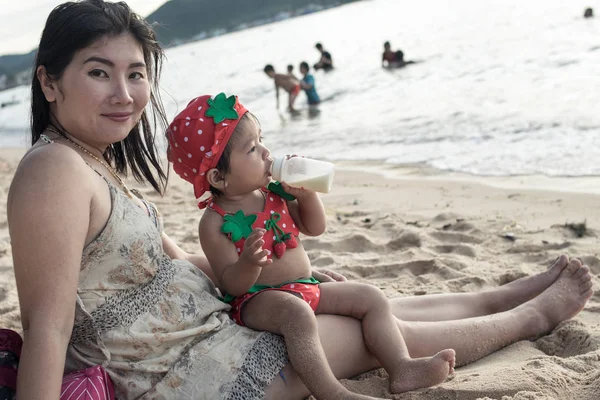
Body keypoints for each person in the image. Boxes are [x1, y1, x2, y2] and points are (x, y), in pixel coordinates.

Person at [8, 0, 593, 399]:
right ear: (50, 82)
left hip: (207, 323)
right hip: (181, 368)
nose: (125, 94)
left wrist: (275, 278)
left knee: (369, 303)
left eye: (135, 74)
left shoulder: (88, 161)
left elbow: (181, 262)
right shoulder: (52, 171)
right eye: (99, 72)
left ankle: (501, 294)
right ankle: (532, 316)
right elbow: (49, 326)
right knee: (375, 337)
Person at [166, 93, 456, 398]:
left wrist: (306, 197)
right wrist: (248, 264)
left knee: (370, 297)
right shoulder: (213, 222)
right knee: (296, 314)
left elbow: (314, 228)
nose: (266, 152)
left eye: (262, 140)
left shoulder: (274, 192)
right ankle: (332, 392)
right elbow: (231, 285)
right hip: (258, 300)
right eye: (252, 148)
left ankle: (402, 367)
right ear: (218, 176)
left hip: (306, 286)